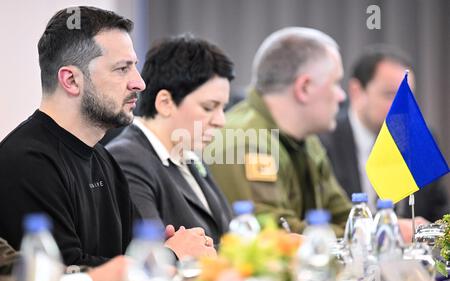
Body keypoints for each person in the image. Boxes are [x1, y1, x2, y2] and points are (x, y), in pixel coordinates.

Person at [0, 6, 216, 267]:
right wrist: (168, 259)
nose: (139, 83)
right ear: (71, 80)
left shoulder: (102, 157)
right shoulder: (26, 162)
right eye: (122, 69)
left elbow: (130, 252)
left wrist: (165, 248)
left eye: (135, 67)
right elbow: (64, 273)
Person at [209, 27, 351, 236]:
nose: (341, 96)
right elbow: (276, 237)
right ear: (304, 88)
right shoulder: (246, 141)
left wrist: (366, 228)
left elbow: (345, 215)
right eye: (336, 83)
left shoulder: (307, 140)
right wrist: (359, 232)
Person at [107, 34, 235, 246]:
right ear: (165, 103)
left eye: (223, 108)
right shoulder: (126, 160)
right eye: (208, 107)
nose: (220, 121)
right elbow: (154, 254)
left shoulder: (187, 154)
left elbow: (225, 234)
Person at [319, 45, 448, 222]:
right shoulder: (323, 139)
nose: (401, 107)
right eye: (390, 95)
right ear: (357, 91)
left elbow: (440, 214)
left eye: (407, 97)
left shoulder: (420, 139)